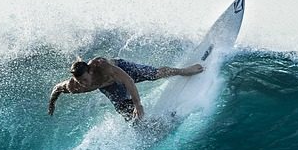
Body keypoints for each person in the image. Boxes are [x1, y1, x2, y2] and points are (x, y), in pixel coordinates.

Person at [47, 56, 204, 122]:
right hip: (109, 88)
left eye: (85, 79)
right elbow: (57, 89)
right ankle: (149, 126)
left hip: (122, 71)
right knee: (127, 114)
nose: (84, 84)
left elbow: (128, 81)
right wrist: (52, 103)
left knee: (153, 74)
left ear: (90, 71)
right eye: (80, 81)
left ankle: (183, 70)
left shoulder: (103, 66)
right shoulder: (74, 86)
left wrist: (138, 104)